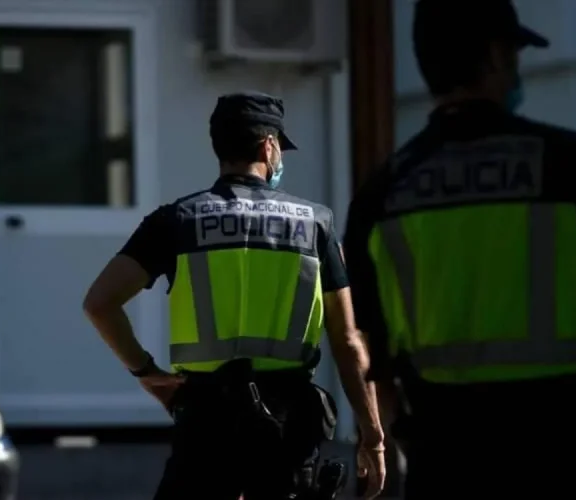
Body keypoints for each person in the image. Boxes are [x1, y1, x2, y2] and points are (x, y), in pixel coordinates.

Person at [343, 1, 576, 498]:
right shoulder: (571, 163)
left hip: (449, 465)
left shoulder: (383, 191)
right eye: (515, 54)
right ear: (496, 56)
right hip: (575, 459)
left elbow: (376, 357)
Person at [84, 91, 385, 499]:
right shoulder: (317, 224)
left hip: (206, 419)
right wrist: (372, 437)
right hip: (289, 426)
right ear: (269, 145)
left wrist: (149, 375)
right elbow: (348, 341)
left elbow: (100, 304)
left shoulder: (177, 219)